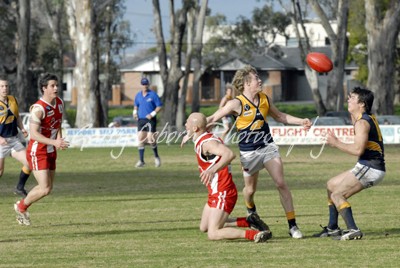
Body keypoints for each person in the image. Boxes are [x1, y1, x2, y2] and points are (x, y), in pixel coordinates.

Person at [206, 65, 311, 239]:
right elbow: (212, 118)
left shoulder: (264, 99)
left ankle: (292, 226)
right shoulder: (236, 103)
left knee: (281, 183)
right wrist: (193, 130)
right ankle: (251, 211)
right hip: (248, 154)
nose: (260, 80)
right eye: (256, 78)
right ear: (247, 83)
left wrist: (301, 121)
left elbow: (280, 117)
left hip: (267, 147)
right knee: (249, 190)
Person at [181, 112, 271, 243]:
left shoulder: (207, 143)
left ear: (195, 128)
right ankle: (248, 221)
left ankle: (254, 235)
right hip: (215, 192)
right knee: (204, 227)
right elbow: (202, 128)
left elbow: (229, 154)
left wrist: (212, 170)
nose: (185, 124)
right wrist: (188, 135)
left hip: (223, 191)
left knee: (213, 233)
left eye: (187, 122)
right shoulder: (201, 136)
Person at [313, 87, 385, 240]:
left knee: (337, 194)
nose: (348, 99)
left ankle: (353, 229)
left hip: (371, 168)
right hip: (367, 166)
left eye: (352, 98)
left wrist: (336, 143)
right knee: (331, 185)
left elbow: (358, 150)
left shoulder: (362, 123)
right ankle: (333, 227)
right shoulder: (363, 118)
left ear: (362, 104)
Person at [14, 73, 69, 225]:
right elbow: (33, 134)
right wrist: (54, 142)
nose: (56, 88)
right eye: (52, 86)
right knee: (44, 188)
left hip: (51, 149)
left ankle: (22, 205)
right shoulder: (38, 109)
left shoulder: (59, 102)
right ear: (44, 88)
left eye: (57, 85)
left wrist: (58, 139)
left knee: (48, 188)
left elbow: (57, 123)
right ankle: (21, 207)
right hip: (38, 151)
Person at [0, 76, 31, 197]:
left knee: (29, 163)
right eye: (1, 86)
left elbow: (17, 116)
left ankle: (19, 187)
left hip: (13, 140)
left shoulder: (13, 99)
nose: (4, 88)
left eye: (6, 86)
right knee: (0, 171)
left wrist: (22, 128)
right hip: (1, 141)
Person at [133, 77, 163, 168]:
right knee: (141, 139)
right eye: (143, 84)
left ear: (148, 85)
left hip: (150, 119)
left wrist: (152, 114)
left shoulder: (153, 95)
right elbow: (136, 106)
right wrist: (134, 113)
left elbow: (159, 106)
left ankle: (157, 157)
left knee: (151, 139)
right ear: (141, 85)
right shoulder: (138, 95)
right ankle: (141, 161)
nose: (144, 86)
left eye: (146, 84)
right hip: (141, 119)